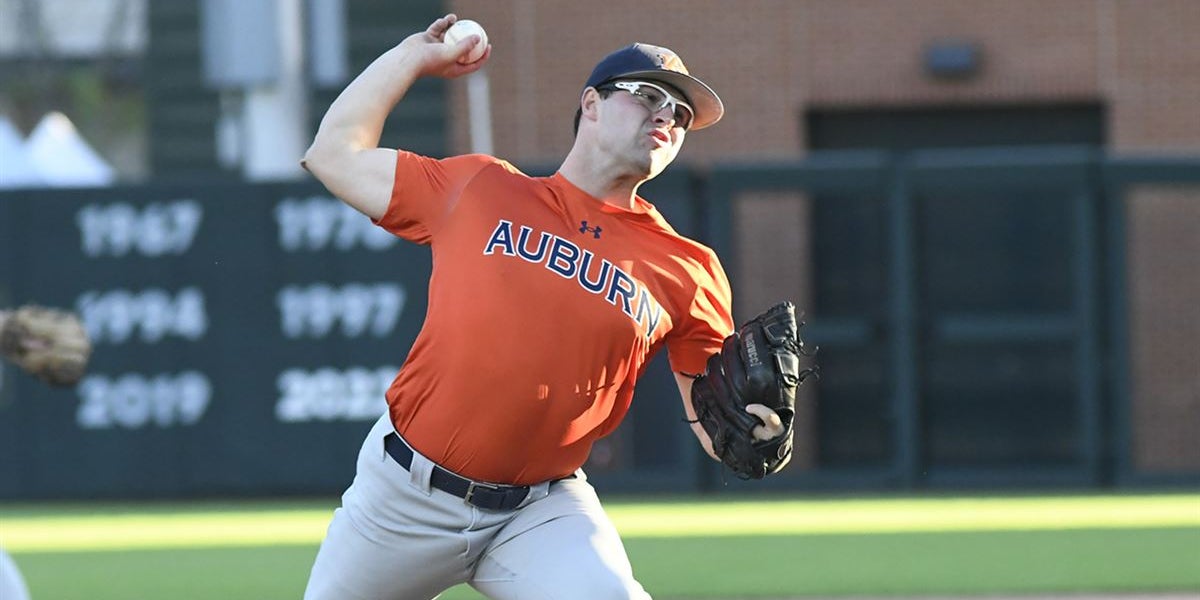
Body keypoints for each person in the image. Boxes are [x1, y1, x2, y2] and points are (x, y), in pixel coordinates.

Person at [300, 14, 788, 599]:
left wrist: (760, 436)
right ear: (591, 104)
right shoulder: (480, 188)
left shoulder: (689, 269)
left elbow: (713, 421)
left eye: (681, 115)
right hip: (405, 497)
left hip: (538, 512)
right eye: (649, 96)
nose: (667, 116)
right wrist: (413, 56)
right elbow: (333, 154)